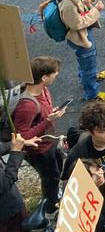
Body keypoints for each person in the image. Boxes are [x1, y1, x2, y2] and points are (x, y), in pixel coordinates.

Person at [52, 0, 105, 102]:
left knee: (87, 60)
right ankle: (92, 93)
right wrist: (96, 10)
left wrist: (89, 0)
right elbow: (77, 24)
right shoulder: (67, 3)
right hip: (80, 37)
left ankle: (90, 77)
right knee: (87, 63)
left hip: (85, 33)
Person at [12, 56, 67, 212]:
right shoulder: (27, 106)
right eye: (54, 73)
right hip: (39, 150)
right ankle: (51, 207)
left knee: (57, 167)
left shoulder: (43, 89)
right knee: (50, 177)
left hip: (48, 141)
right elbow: (22, 136)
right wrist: (48, 120)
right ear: (44, 77)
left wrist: (50, 114)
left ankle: (54, 195)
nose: (57, 74)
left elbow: (42, 115)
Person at [0, 131, 40, 232]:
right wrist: (16, 152)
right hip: (8, 213)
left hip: (10, 207)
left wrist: (20, 143)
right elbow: (5, 183)